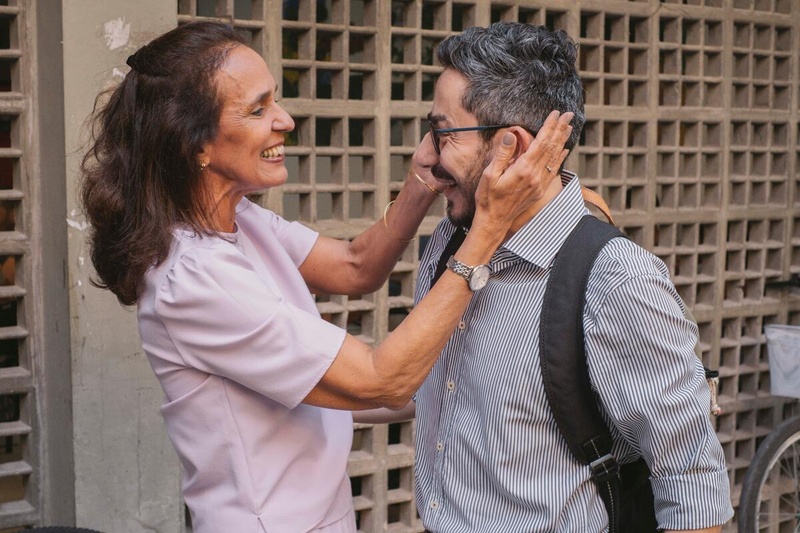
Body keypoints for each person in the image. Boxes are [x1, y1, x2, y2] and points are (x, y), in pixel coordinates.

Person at [78, 21, 574, 533]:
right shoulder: (195, 280)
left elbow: (356, 266)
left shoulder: (237, 217)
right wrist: (488, 229)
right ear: (196, 144)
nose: (285, 120)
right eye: (258, 109)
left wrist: (425, 178)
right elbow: (383, 380)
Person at [409, 22, 734, 533]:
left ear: (510, 147)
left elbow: (692, 489)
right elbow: (437, 393)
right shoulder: (448, 248)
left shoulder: (615, 279)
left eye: (441, 132)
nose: (424, 157)